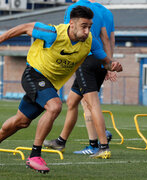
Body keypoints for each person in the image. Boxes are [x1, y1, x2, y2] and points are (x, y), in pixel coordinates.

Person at [0, 6, 122, 174]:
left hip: (50, 84)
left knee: (22, 121)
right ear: (72, 24)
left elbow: (105, 60)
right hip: (33, 74)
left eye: (89, 27)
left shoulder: (90, 41)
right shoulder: (52, 33)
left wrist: (112, 65)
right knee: (55, 106)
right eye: (84, 26)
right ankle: (35, 155)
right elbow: (25, 27)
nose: (87, 31)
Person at [43, 0, 118, 159]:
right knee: (72, 101)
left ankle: (101, 146)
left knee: (91, 104)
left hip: (86, 58)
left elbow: (65, 34)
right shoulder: (100, 12)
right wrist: (108, 63)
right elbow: (106, 38)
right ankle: (61, 141)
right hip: (99, 59)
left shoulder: (74, 10)